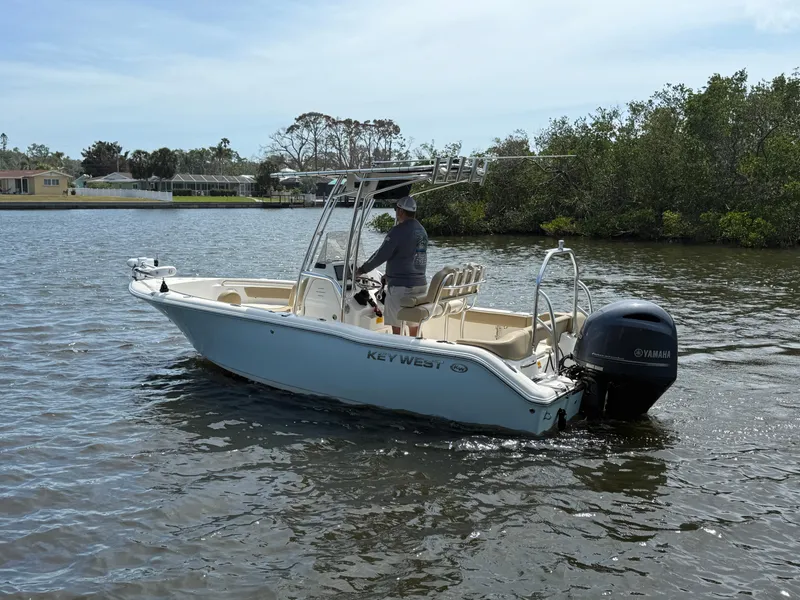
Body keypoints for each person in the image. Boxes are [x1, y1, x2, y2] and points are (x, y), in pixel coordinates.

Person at [355, 195, 428, 336]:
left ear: (401, 211)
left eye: (396, 209)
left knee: (396, 324)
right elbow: (409, 256)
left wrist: (361, 270)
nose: (396, 212)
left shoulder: (398, 231)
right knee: (414, 323)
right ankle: (414, 346)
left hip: (402, 287)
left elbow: (381, 255)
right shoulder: (422, 231)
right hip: (421, 284)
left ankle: (397, 348)